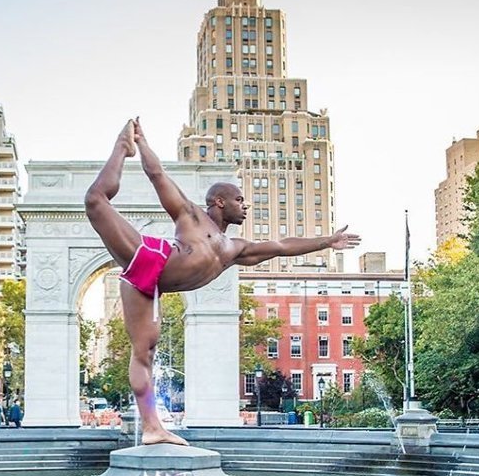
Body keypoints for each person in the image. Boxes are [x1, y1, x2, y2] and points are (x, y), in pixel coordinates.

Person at [85, 118, 360, 446]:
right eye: (240, 200)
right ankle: (121, 147)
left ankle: (152, 427)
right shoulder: (191, 216)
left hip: (148, 286)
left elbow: (282, 247)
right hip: (148, 257)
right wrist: (141, 144)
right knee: (95, 201)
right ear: (219, 202)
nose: (246, 205)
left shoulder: (235, 249)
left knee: (145, 352)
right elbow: (158, 176)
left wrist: (327, 241)